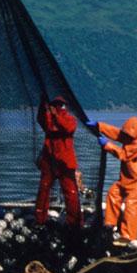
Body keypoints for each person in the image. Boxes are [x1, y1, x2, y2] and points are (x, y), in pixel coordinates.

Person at [90, 116, 137, 248]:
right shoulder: (128, 136)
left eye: (128, 134)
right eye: (125, 133)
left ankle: (128, 236)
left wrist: (107, 145)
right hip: (127, 178)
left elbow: (123, 155)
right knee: (113, 193)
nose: (125, 136)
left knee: (132, 204)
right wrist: (99, 126)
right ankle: (109, 224)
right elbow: (116, 133)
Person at [35, 96, 80, 228]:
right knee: (43, 190)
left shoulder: (70, 119)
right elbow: (41, 119)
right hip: (49, 161)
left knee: (70, 192)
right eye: (55, 104)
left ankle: (74, 221)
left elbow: (67, 128)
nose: (58, 107)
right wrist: (43, 106)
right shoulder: (48, 120)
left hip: (65, 162)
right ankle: (40, 219)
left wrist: (56, 115)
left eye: (60, 105)